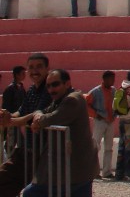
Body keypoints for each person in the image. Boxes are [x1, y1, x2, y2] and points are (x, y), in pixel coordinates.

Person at [21, 69, 98, 197]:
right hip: (78, 170)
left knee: (31, 193)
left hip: (76, 169)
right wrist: (12, 121)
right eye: (48, 86)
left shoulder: (73, 99)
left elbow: (51, 118)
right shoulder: (60, 100)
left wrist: (39, 119)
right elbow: (41, 114)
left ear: (67, 84)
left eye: (55, 84)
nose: (51, 89)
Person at [0, 53, 51, 196]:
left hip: (43, 152)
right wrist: (7, 115)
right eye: (31, 67)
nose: (35, 71)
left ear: (47, 68)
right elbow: (21, 111)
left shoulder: (50, 88)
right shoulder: (31, 90)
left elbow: (36, 114)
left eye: (39, 67)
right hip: (28, 148)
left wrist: (10, 121)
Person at [112, 69, 130, 180]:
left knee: (121, 146)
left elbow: (114, 105)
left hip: (122, 119)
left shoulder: (121, 87)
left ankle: (119, 173)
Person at [87, 71, 117, 178]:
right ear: (104, 79)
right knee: (96, 146)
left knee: (109, 147)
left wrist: (115, 114)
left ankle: (107, 171)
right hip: (100, 120)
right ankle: (93, 171)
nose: (113, 81)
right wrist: (95, 114)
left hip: (110, 121)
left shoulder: (114, 90)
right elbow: (86, 104)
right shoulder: (95, 91)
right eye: (111, 79)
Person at [2, 65, 26, 159]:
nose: (24, 75)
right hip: (11, 119)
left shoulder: (21, 87)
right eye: (22, 73)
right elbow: (6, 105)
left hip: (17, 119)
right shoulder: (10, 89)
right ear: (17, 75)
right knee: (13, 141)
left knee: (17, 141)